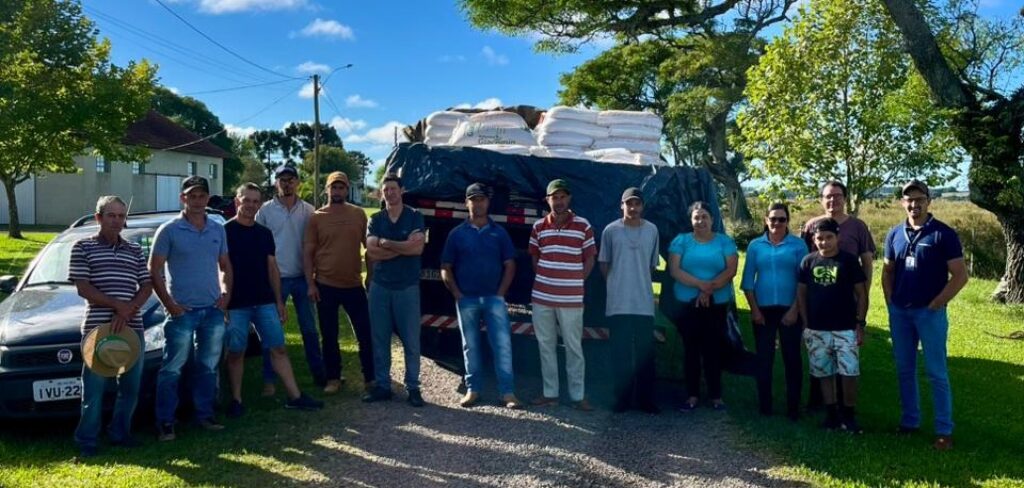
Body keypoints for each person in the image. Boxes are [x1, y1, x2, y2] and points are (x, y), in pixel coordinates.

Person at [223, 183, 324, 416]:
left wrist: (279, 301)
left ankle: (295, 396)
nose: (250, 205)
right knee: (236, 351)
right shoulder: (225, 232)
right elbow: (220, 267)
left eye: (255, 201)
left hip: (265, 301)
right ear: (237, 202)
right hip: (236, 303)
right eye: (245, 200)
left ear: (259, 205)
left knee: (278, 348)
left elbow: (272, 268)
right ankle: (236, 400)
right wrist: (224, 300)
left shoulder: (264, 233)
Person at [882, 180, 968, 451]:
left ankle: (944, 430)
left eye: (919, 199)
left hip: (929, 314)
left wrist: (938, 302)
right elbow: (887, 271)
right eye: (909, 199)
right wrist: (890, 303)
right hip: (900, 313)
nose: (914, 204)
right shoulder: (894, 234)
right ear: (902, 202)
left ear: (928, 201)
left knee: (936, 372)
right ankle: (910, 422)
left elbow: (960, 275)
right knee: (904, 369)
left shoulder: (943, 234)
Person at [150, 176, 233, 441]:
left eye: (201, 196)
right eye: (191, 196)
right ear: (182, 198)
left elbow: (225, 265)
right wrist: (170, 305)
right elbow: (154, 270)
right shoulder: (169, 230)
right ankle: (165, 421)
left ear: (208, 199)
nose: (197, 201)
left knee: (208, 366)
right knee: (172, 368)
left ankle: (205, 414)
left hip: (212, 310)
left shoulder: (217, 229)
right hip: (181, 313)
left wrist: (225, 294)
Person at [69, 196, 153, 457]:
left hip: (132, 327)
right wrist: (119, 305)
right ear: (98, 218)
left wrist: (128, 311)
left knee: (130, 386)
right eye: (110, 215)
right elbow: (83, 287)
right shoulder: (82, 247)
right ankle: (87, 440)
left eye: (120, 216)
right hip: (98, 328)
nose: (116, 221)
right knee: (94, 388)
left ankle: (120, 433)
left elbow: (147, 285)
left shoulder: (135, 250)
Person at [440, 183, 522, 409]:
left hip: (494, 299)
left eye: (482, 199)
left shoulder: (499, 232)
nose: (478, 204)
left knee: (502, 345)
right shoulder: (456, 234)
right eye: (473, 200)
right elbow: (446, 266)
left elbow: (510, 264)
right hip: (467, 299)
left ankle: (507, 393)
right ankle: (472, 390)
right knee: (471, 346)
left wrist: (500, 294)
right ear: (466, 203)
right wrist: (457, 293)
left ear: (488, 202)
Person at [800, 181, 875, 410]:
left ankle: (846, 408)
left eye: (837, 196)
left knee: (847, 364)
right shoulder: (811, 225)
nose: (833, 200)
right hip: (819, 304)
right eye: (828, 196)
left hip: (849, 297)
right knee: (820, 361)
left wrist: (863, 292)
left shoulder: (858, 226)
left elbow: (867, 262)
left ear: (845, 198)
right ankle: (823, 406)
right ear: (822, 199)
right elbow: (805, 265)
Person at [303, 171, 375, 394]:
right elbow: (308, 252)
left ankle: (370, 378)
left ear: (347, 190)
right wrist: (310, 284)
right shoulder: (317, 217)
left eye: (341, 187)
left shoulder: (358, 214)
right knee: (329, 335)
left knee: (365, 333)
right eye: (333, 187)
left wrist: (370, 276)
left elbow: (369, 248)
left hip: (354, 285)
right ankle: (333, 378)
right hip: (325, 285)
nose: (337, 191)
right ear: (327, 190)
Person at [256, 165, 325, 393]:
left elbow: (314, 244)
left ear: (298, 182)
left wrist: (313, 276)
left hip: (302, 277)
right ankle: (268, 379)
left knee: (309, 328)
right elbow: (259, 246)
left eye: (290, 179)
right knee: (272, 330)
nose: (286, 183)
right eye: (282, 179)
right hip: (275, 278)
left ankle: (319, 374)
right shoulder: (265, 211)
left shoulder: (308, 210)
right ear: (276, 183)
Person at [529, 179, 597, 411]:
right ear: (547, 200)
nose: (558, 201)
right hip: (542, 297)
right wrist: (546, 278)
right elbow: (534, 256)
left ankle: (577, 396)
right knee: (545, 345)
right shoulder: (538, 226)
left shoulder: (583, 226)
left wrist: (577, 280)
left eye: (562, 197)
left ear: (569, 199)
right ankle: (551, 394)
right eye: (554, 197)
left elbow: (590, 258)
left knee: (573, 347)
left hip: (571, 298)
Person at [797, 218, 868, 433]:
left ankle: (849, 414)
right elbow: (801, 294)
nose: (824, 242)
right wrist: (806, 324)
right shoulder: (807, 262)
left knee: (849, 372)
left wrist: (860, 323)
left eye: (829, 237)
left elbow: (861, 294)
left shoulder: (848, 261)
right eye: (819, 238)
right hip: (817, 328)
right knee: (823, 371)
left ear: (838, 238)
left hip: (845, 327)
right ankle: (831, 414)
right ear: (813, 240)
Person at [363, 173, 426, 407]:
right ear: (382, 193)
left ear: (401, 191)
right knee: (380, 339)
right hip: (380, 286)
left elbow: (417, 249)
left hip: (407, 287)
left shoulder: (414, 216)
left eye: (393, 188)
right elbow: (372, 252)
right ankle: (383, 386)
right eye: (385, 189)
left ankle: (413, 387)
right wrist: (403, 246)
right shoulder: (376, 219)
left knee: (411, 341)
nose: (389, 192)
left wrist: (387, 243)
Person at [741, 203, 808, 420]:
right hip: (763, 310)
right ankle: (765, 406)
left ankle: (793, 408)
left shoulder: (798, 245)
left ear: (788, 221)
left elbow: (803, 281)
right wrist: (754, 310)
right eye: (773, 219)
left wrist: (795, 309)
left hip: (790, 309)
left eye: (782, 219)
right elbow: (747, 281)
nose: (777, 223)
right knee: (764, 359)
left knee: (792, 359)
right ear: (765, 220)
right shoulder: (755, 246)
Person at [668, 201, 738, 411]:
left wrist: (709, 290)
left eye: (704, 217)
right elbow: (675, 270)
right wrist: (701, 286)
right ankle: (692, 395)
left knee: (713, 349)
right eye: (696, 217)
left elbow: (731, 270)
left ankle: (716, 396)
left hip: (716, 304)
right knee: (691, 349)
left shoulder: (724, 242)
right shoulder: (681, 241)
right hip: (687, 304)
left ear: (712, 219)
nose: (701, 221)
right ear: (691, 220)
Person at [598, 187, 661, 414]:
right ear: (621, 205)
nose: (633, 208)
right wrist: (617, 284)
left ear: (643, 206)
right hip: (618, 303)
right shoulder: (610, 231)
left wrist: (638, 282)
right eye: (629, 204)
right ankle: (621, 399)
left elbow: (652, 265)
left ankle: (646, 401)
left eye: (637, 204)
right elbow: (604, 263)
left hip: (643, 303)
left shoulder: (652, 230)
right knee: (620, 353)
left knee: (645, 354)